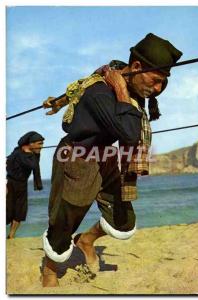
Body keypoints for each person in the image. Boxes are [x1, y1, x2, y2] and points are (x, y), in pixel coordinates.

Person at [41, 33, 182, 287]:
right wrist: (118, 89)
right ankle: (50, 268)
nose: (158, 89)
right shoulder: (102, 92)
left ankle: (86, 241)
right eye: (156, 81)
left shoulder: (123, 79)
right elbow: (129, 132)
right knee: (64, 223)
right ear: (137, 67)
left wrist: (59, 100)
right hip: (77, 158)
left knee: (123, 220)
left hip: (105, 157)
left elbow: (76, 88)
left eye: (163, 83)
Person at [6, 131, 45, 238]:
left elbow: (34, 166)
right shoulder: (17, 152)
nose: (41, 146)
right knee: (7, 211)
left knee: (20, 212)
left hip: (22, 185)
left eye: (42, 144)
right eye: (39, 144)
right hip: (10, 183)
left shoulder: (34, 155)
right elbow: (8, 164)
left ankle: (11, 236)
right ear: (31, 143)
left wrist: (33, 153)